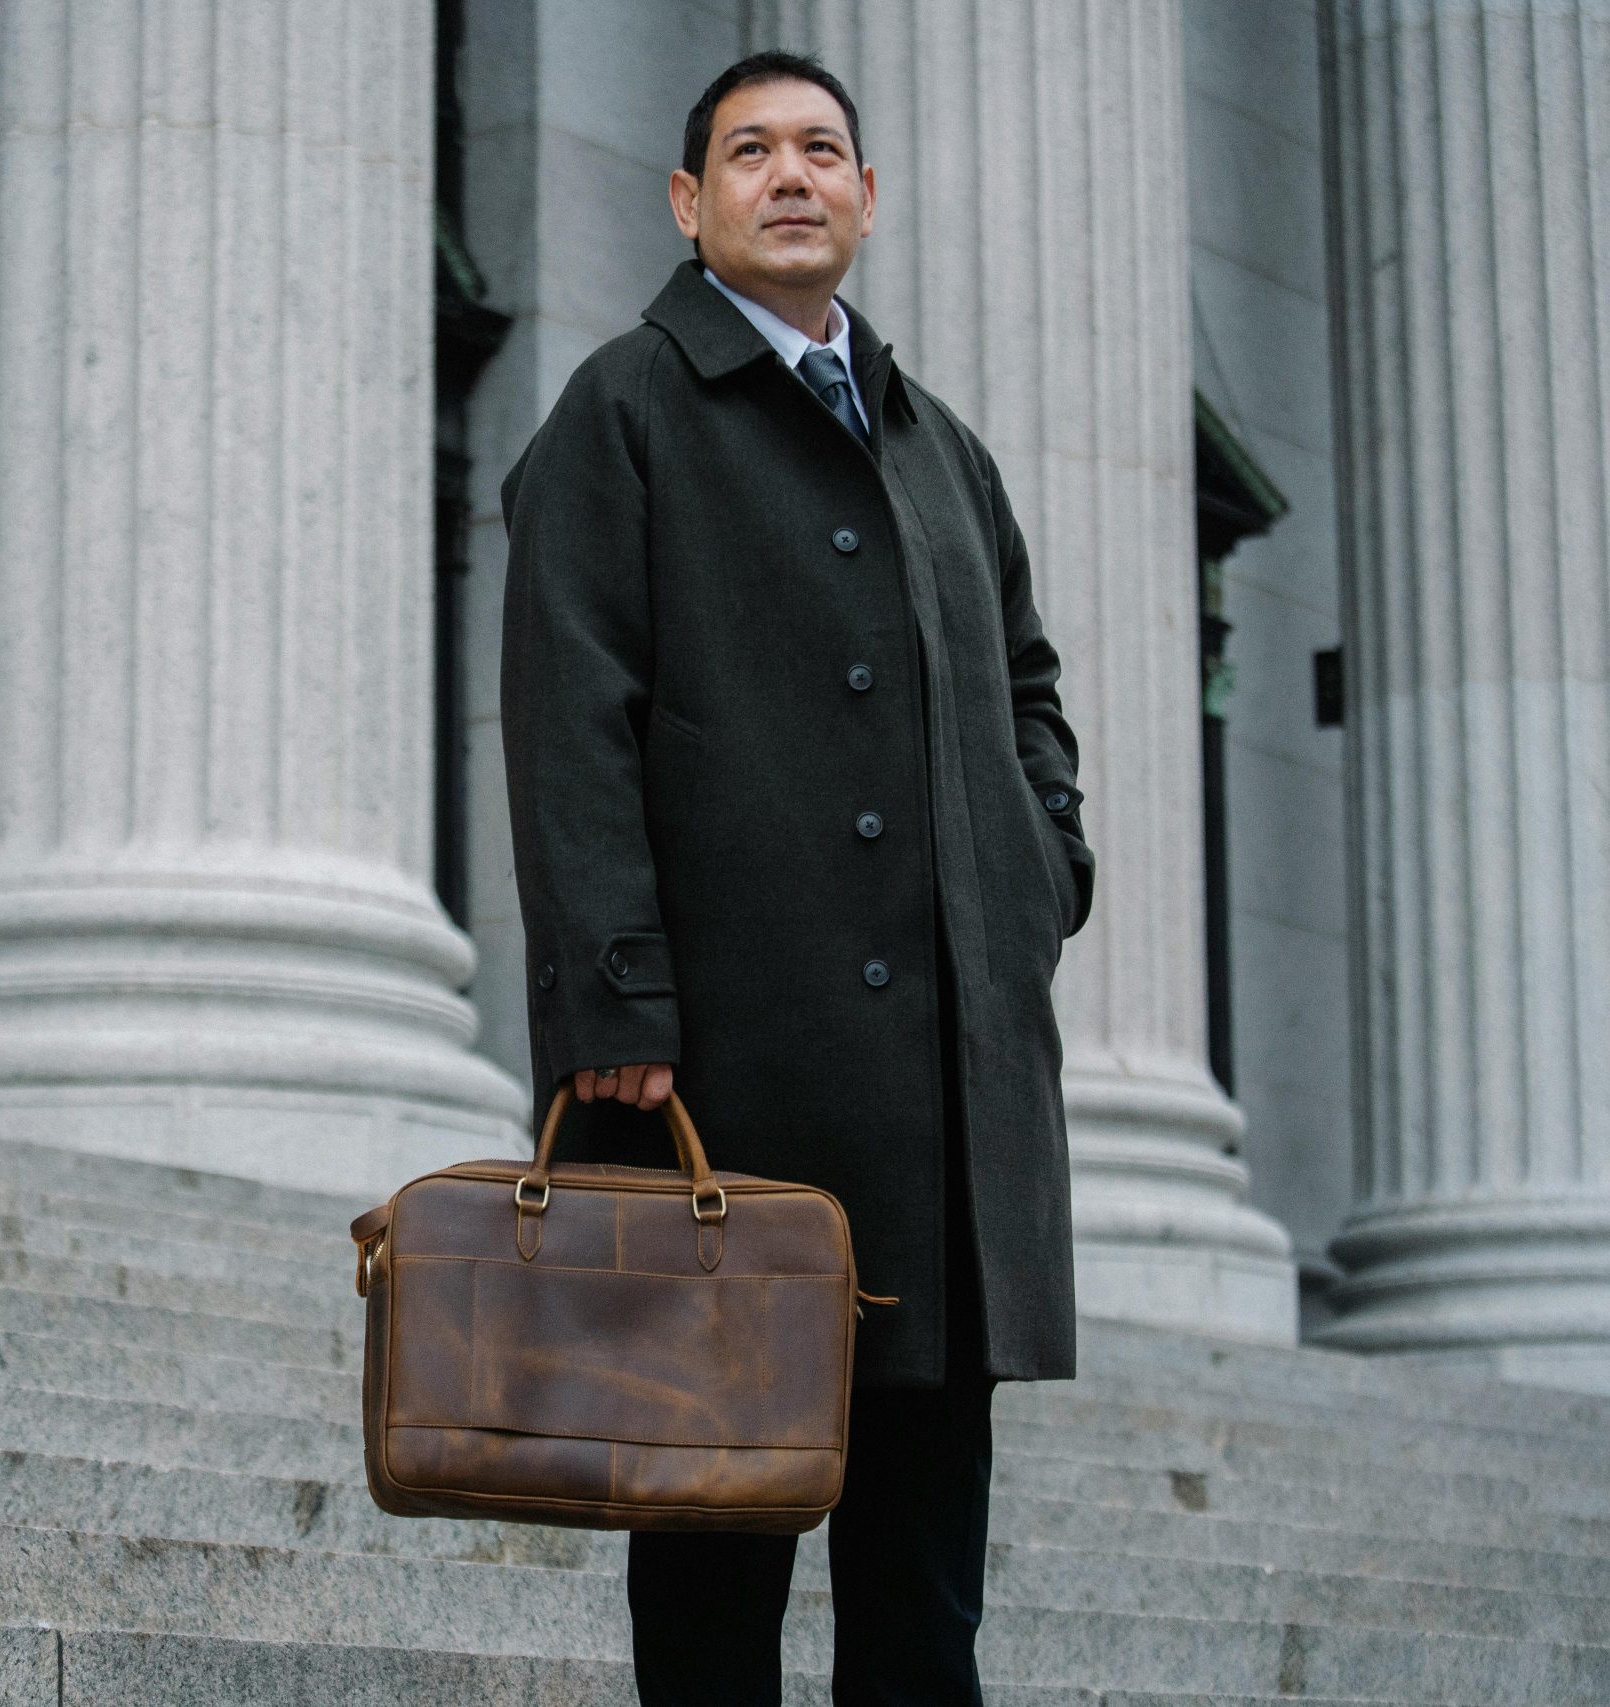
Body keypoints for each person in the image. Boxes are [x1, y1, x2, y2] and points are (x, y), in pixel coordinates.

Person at [497, 49, 1095, 1707]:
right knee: (712, 1565)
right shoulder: (623, 408)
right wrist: (614, 995)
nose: (791, 175)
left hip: (939, 1107)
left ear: (867, 197)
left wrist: (1046, 869)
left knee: (923, 1590)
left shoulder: (940, 444)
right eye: (749, 151)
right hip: (730, 1088)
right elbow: (570, 714)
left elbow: (1028, 678)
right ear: (690, 203)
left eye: (822, 149)